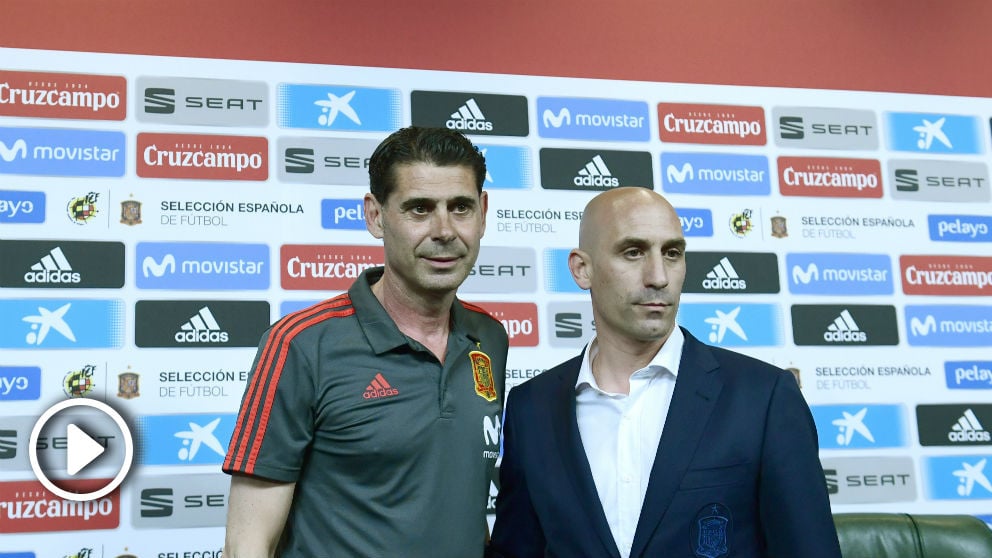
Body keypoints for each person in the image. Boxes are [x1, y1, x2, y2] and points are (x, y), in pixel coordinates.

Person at [490, 187, 840, 558]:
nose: (658, 276)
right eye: (633, 252)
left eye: (672, 253)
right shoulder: (532, 407)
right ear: (582, 268)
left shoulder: (763, 397)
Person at [222, 126, 508, 557]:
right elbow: (247, 543)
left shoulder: (490, 338)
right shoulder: (301, 344)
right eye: (419, 209)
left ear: (483, 213)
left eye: (461, 207)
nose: (444, 230)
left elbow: (454, 506)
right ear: (376, 216)